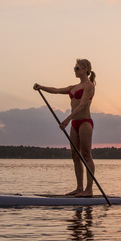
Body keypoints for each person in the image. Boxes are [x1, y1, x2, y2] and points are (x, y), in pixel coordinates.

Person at [34, 59, 96, 197]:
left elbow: (82, 105)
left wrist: (67, 120)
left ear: (85, 69)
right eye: (74, 68)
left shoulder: (89, 85)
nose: (75, 70)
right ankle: (79, 188)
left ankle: (89, 190)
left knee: (86, 154)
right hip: (74, 124)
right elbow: (56, 90)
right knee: (75, 155)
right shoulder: (73, 87)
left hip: (85, 122)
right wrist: (41, 87)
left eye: (77, 68)